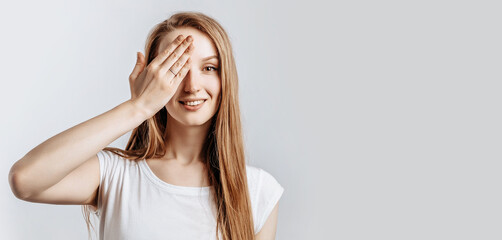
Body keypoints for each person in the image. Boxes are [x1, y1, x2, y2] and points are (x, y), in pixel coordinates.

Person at [8, 11, 284, 240]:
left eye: (209, 68)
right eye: (176, 69)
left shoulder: (258, 190)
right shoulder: (116, 175)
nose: (192, 86)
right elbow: (25, 180)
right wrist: (138, 107)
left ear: (226, 78)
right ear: (153, 77)